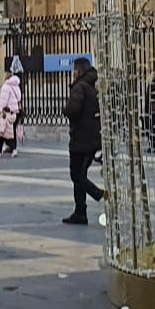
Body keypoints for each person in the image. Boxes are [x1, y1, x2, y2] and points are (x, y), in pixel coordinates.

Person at [61, 56, 106, 224]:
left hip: (80, 139)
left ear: (78, 70)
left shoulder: (79, 87)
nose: (72, 72)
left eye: (74, 69)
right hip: (93, 138)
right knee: (80, 175)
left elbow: (74, 109)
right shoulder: (93, 86)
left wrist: (65, 110)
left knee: (76, 175)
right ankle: (80, 212)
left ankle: (99, 194)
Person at [0, 64, 22, 158]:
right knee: (12, 132)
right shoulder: (16, 86)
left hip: (8, 112)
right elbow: (19, 98)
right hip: (15, 112)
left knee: (3, 131)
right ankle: (13, 149)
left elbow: (3, 100)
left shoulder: (6, 86)